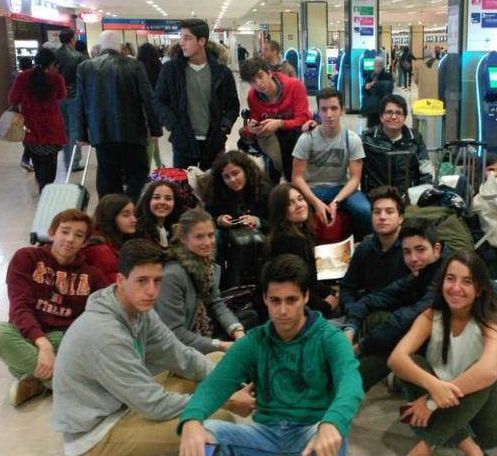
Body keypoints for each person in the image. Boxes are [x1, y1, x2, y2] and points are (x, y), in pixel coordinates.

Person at [52, 239, 253, 456]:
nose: (151, 291)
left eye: (157, 281)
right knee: (217, 423)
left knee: (216, 361)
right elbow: (153, 404)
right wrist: (228, 401)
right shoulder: (105, 334)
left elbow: (182, 356)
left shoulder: (140, 310)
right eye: (142, 280)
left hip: (126, 406)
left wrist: (238, 386)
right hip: (95, 435)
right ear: (120, 280)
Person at [177, 254, 364, 456]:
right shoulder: (255, 341)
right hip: (263, 436)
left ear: (306, 296)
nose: (283, 310)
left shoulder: (329, 338)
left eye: (291, 300)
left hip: (310, 432)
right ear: (265, 298)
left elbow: (350, 381)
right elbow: (216, 384)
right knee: (205, 433)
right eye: (275, 301)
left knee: (334, 438)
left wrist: (332, 422)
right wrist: (192, 420)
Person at [387, 251, 497, 456]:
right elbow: (396, 359)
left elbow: (488, 371)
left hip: (488, 426)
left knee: (481, 373)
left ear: (479, 289)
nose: (456, 288)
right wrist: (434, 386)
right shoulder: (431, 315)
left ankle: (425, 447)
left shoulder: (492, 321)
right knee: (413, 363)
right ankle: (469, 447)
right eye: (450, 279)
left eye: (467, 282)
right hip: (446, 414)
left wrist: (430, 401)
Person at [0, 209, 106, 407]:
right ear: (51, 233)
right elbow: (19, 307)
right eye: (65, 231)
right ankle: (68, 385)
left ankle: (35, 379)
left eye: (78, 235)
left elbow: (105, 315)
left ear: (85, 242)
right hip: (29, 334)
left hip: (66, 340)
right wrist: (42, 344)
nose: (70, 239)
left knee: (20, 359)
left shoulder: (92, 275)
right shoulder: (27, 257)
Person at [343, 219, 452, 391]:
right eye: (407, 252)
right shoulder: (423, 271)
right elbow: (373, 299)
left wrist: (359, 348)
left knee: (393, 339)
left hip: (456, 358)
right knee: (378, 322)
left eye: (420, 250)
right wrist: (349, 331)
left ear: (436, 248)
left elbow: (406, 319)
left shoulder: (448, 275)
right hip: (436, 342)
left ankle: (339, 391)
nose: (413, 258)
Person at [76, 30, 161, 201]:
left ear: (100, 47)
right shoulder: (135, 66)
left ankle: (111, 212)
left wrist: (81, 133)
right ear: (120, 46)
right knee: (137, 173)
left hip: (101, 131)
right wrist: (155, 128)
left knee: (107, 175)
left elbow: (81, 102)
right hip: (132, 130)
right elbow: (148, 98)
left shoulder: (86, 67)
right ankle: (131, 205)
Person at [155, 209, 246, 354]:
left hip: (203, 327)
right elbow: (175, 332)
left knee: (248, 319)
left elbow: (216, 302)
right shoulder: (172, 275)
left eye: (210, 235)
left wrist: (238, 332)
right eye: (199, 237)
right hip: (181, 344)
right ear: (183, 239)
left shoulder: (207, 264)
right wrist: (221, 345)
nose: (208, 242)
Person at [153, 20, 239, 170]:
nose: (181, 43)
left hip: (213, 142)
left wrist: (224, 127)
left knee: (211, 189)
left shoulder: (221, 72)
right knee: (183, 189)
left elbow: (232, 106)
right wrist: (173, 125)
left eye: (187, 38)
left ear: (202, 41)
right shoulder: (170, 70)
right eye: (181, 38)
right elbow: (159, 100)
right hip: (183, 142)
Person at [292, 87, 371, 236]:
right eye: (324, 109)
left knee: (365, 211)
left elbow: (355, 179)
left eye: (334, 108)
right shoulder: (307, 138)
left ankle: (363, 247)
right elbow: (297, 178)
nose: (329, 114)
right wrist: (316, 202)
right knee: (290, 212)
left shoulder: (352, 140)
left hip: (340, 188)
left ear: (342, 110)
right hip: (311, 188)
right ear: (318, 111)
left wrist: (335, 202)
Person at [266, 183, 339, 317]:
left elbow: (309, 281)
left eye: (300, 199)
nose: (299, 205)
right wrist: (325, 305)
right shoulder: (287, 241)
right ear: (280, 211)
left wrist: (332, 292)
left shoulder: (300, 233)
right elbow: (294, 287)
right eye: (290, 203)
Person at [339, 186, 409, 316]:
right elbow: (347, 287)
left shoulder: (411, 250)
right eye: (377, 212)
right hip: (361, 313)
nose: (382, 217)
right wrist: (351, 308)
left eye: (389, 212)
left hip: (398, 317)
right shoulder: (364, 247)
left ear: (400, 218)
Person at [240, 57, 313, 183]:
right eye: (253, 81)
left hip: (296, 136)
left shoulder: (294, 86)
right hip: (271, 139)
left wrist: (280, 123)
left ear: (269, 72)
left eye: (260, 76)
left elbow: (303, 118)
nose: (258, 83)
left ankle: (292, 182)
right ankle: (272, 189)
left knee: (291, 141)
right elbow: (255, 117)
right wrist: (252, 127)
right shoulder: (253, 96)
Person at [8, 47, 67, 194]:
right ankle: (46, 186)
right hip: (51, 126)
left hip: (30, 124)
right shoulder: (56, 78)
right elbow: (62, 95)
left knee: (36, 156)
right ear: (52, 63)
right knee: (50, 159)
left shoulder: (23, 77)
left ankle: (42, 183)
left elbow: (12, 98)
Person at [361, 94, 434, 194]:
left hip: (408, 197)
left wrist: (426, 192)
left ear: (404, 118)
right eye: (389, 112)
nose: (394, 117)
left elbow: (426, 168)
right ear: (381, 117)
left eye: (398, 113)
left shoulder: (415, 138)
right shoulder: (367, 139)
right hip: (377, 197)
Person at [205, 150, 272, 231]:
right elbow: (207, 218)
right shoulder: (216, 190)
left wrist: (257, 221)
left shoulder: (265, 190)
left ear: (246, 171)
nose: (232, 179)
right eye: (226, 177)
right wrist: (219, 220)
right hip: (229, 235)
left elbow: (278, 224)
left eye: (235, 173)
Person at [82, 194, 137, 283]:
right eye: (126, 215)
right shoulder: (100, 251)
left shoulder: (117, 240)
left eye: (134, 214)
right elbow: (112, 284)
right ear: (110, 218)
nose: (134, 219)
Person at [55, 28, 88, 171]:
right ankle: (73, 162)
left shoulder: (55, 55)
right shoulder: (78, 57)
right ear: (72, 40)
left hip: (58, 96)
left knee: (64, 129)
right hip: (74, 96)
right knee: (74, 129)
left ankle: (66, 160)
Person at [137, 42, 165, 170]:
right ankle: (158, 164)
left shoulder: (137, 68)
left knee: (150, 138)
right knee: (152, 137)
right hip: (156, 107)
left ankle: (147, 168)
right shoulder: (160, 68)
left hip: (141, 107)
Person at [135, 179, 184, 248]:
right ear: (147, 201)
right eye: (156, 197)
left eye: (168, 198)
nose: (162, 202)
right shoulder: (137, 233)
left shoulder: (174, 231)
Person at [12, 56, 36, 172]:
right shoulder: (33, 76)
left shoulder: (16, 76)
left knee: (26, 133)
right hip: (33, 110)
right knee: (32, 134)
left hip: (22, 109)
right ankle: (26, 158)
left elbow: (13, 96)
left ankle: (27, 158)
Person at [362, 57, 394, 128]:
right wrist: (365, 87)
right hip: (371, 107)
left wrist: (376, 84)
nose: (377, 68)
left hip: (382, 106)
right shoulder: (370, 75)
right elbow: (364, 90)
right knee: (371, 128)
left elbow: (389, 89)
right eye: (375, 66)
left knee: (382, 127)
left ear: (382, 66)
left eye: (379, 66)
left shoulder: (387, 76)